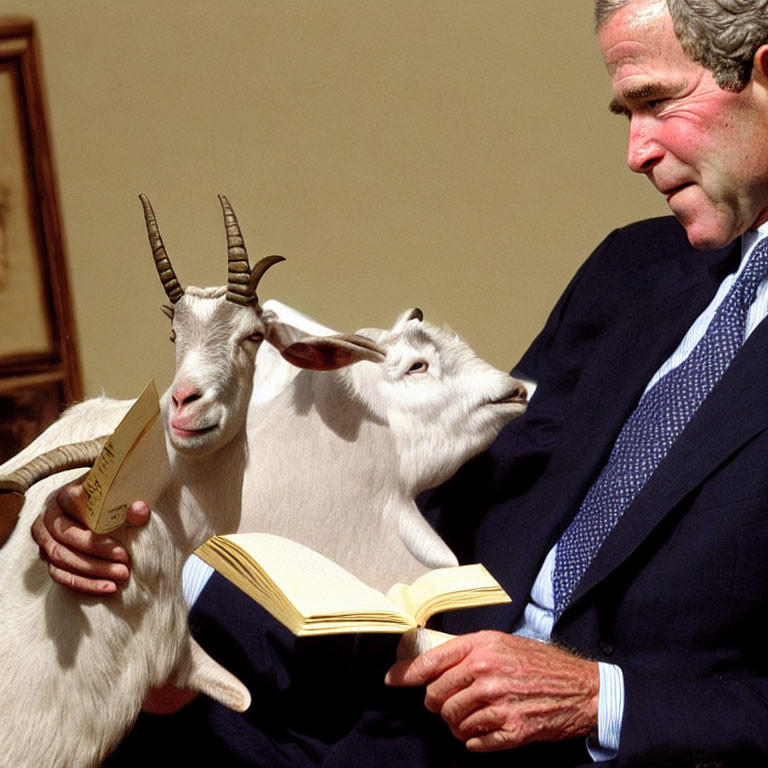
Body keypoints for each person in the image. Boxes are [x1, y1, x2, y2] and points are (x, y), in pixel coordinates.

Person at [32, 0, 768, 764]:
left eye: (655, 101)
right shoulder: (634, 269)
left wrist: (598, 701)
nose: (635, 150)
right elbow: (460, 503)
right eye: (625, 110)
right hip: (394, 716)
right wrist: (147, 563)